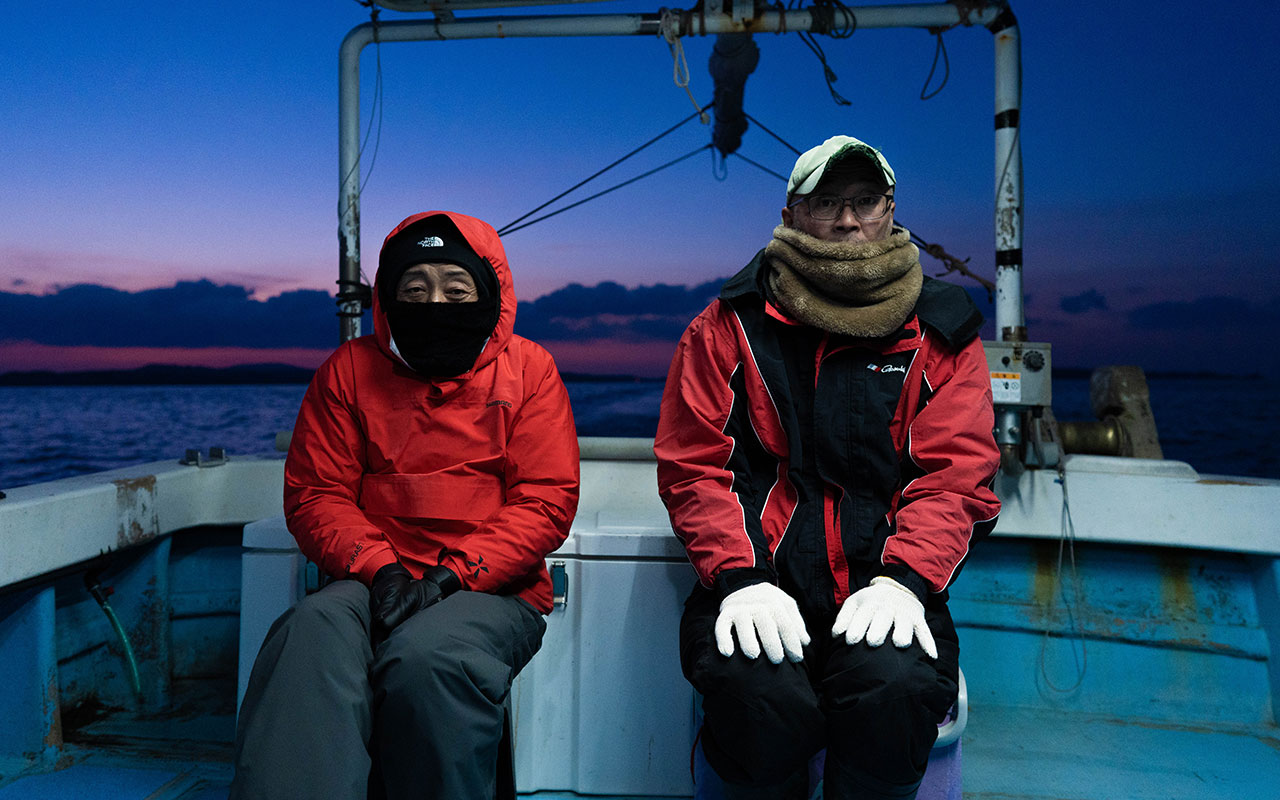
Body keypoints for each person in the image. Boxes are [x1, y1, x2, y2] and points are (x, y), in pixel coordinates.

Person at [654, 136, 1001, 800]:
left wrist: (905, 582)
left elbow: (958, 474)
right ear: (791, 213)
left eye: (865, 201)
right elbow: (694, 467)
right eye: (827, 202)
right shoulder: (727, 325)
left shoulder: (942, 332)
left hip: (885, 588)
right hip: (760, 584)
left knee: (895, 696)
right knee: (757, 704)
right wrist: (740, 579)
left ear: (890, 208)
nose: (848, 219)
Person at [231, 211, 580, 800]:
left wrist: (450, 577)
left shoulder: (530, 370)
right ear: (388, 300)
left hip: (488, 591)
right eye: (414, 289)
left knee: (429, 660)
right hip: (376, 582)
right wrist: (381, 567)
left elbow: (544, 500)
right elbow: (317, 493)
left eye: (456, 288)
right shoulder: (347, 372)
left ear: (490, 294)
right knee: (307, 632)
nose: (435, 302)